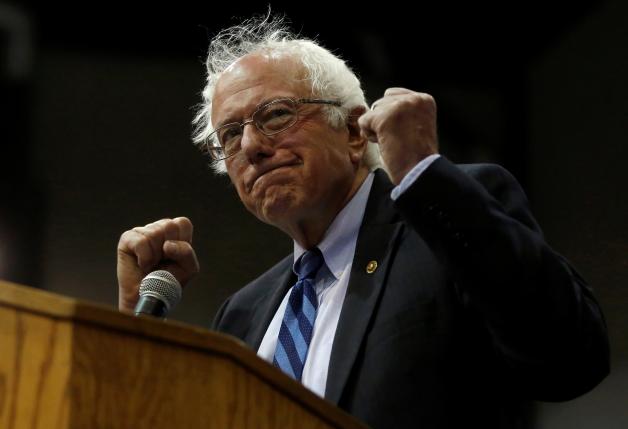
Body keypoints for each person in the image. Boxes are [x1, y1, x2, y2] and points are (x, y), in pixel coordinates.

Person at [116, 14, 609, 429]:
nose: (251, 146)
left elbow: (569, 360)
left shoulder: (445, 220)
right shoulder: (242, 315)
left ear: (354, 131)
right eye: (229, 135)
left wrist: (424, 176)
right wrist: (133, 325)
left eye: (276, 115)